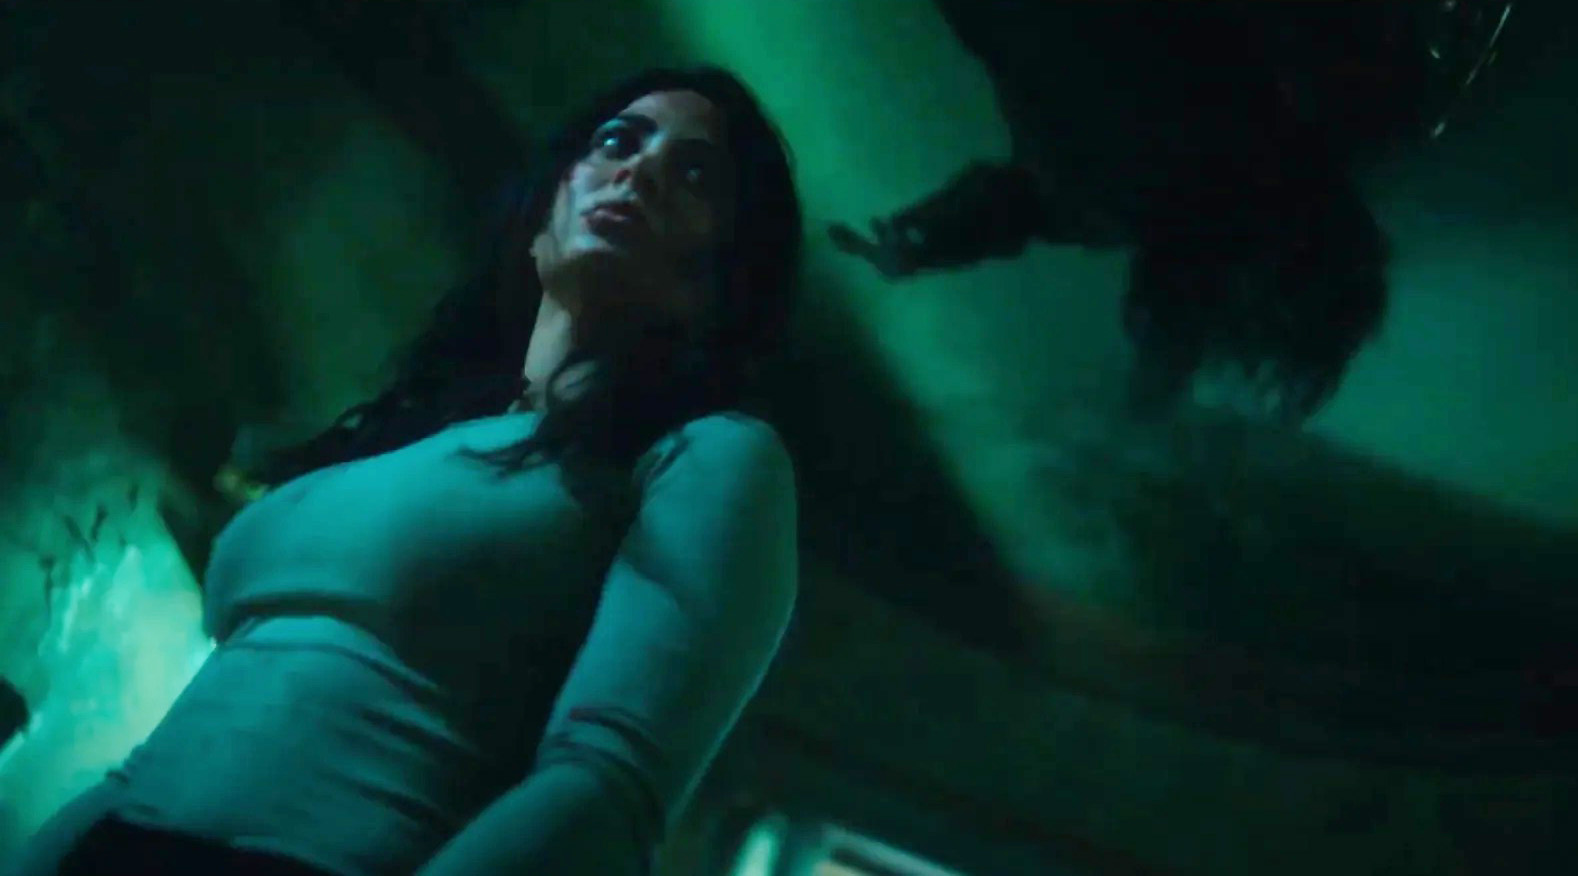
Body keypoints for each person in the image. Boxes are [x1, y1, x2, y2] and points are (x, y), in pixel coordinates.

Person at [8, 64, 804, 876]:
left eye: (695, 174)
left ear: (730, 268)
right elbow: (153, 758)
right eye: (616, 141)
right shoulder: (417, 436)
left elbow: (607, 786)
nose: (640, 171)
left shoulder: (705, 455)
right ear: (547, 203)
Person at [831, 1, 1426, 425]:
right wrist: (923, 242)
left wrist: (925, 241)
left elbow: (1028, 204)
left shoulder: (1286, 124)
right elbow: (1033, 203)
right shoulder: (1150, 184)